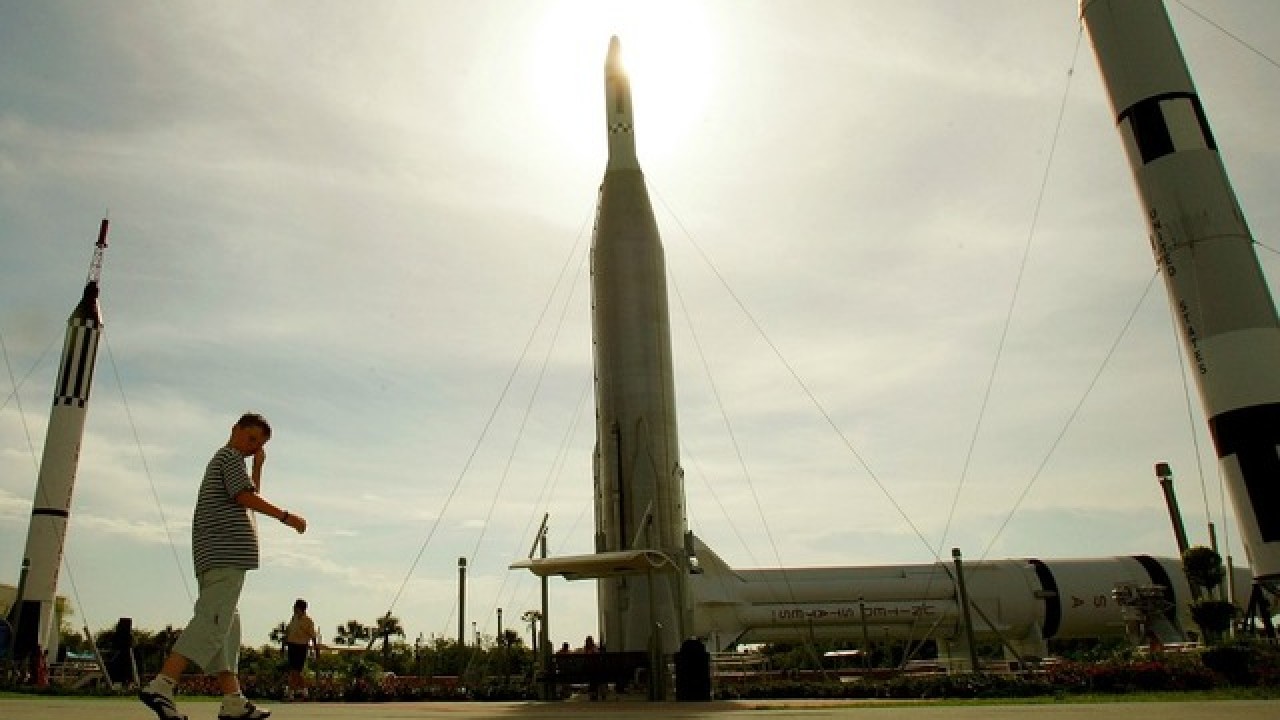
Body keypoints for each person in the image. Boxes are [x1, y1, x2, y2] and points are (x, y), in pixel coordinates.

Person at [139, 413, 307, 720]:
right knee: (211, 621)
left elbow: (247, 496)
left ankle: (233, 700)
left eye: (259, 443)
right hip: (222, 556)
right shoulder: (229, 457)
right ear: (235, 430)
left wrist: (257, 467)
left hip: (221, 557)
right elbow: (245, 497)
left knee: (227, 630)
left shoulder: (233, 463)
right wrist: (286, 516)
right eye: (251, 438)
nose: (252, 446)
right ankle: (162, 684)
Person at [283, 598, 319, 700]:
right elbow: (288, 631)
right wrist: (283, 645)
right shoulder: (293, 618)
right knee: (293, 670)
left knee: (296, 670)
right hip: (291, 645)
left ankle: (292, 692)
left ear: (301, 609)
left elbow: (313, 636)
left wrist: (316, 650)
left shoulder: (308, 621)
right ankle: (301, 691)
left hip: (301, 646)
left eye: (296, 607)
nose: (294, 608)